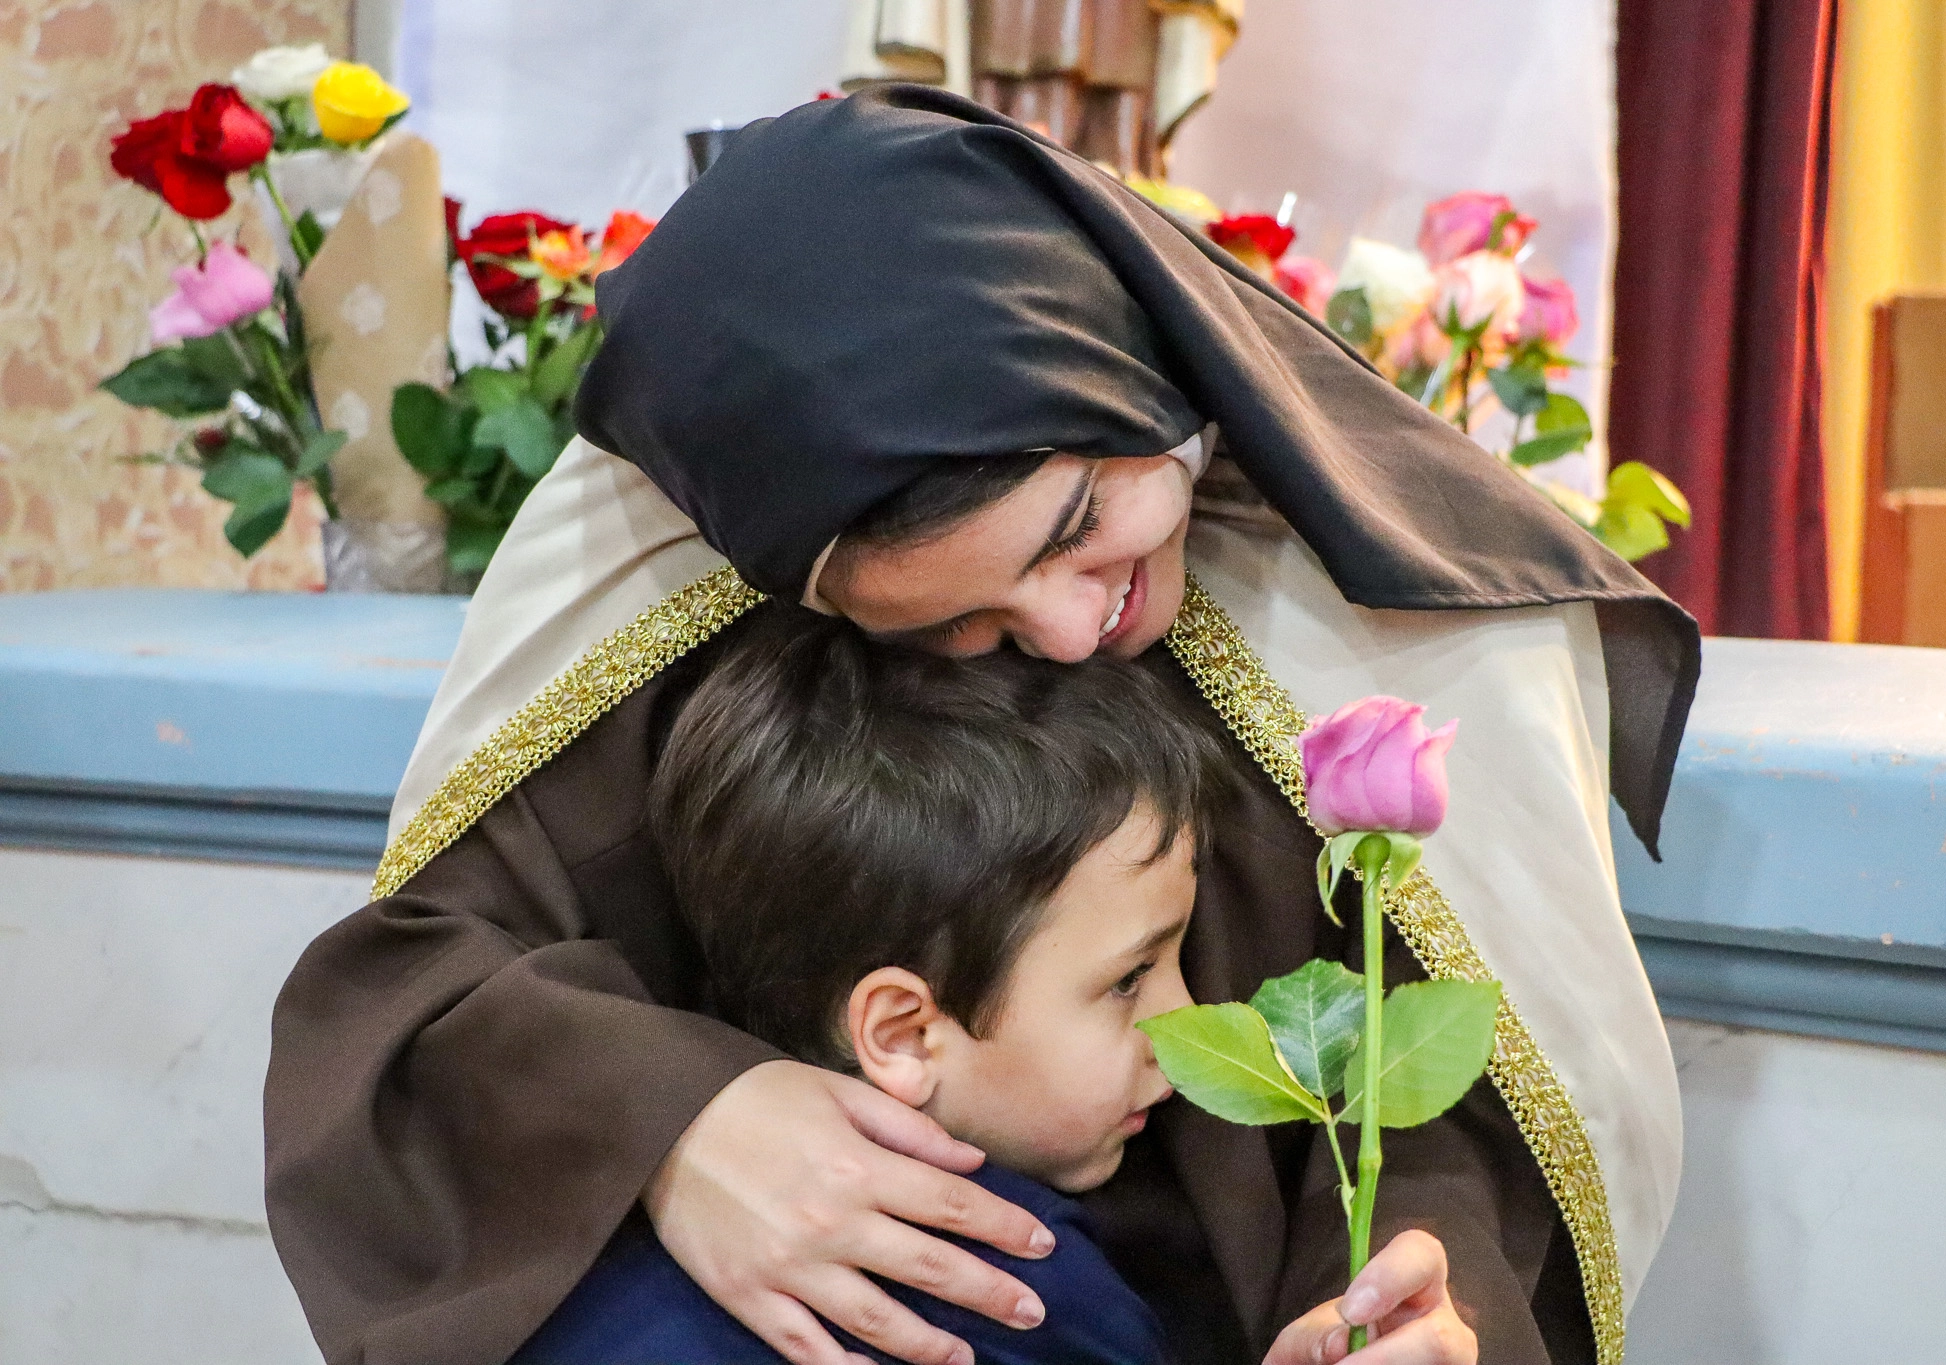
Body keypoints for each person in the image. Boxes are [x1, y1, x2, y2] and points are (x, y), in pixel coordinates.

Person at [266, 88, 1697, 1365]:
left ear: (1113, 359)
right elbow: (421, 994)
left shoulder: (1354, 605)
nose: (1084, 636)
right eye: (963, 627)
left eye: (1082, 526)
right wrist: (680, 1125)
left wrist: (1405, 1297)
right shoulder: (690, 580)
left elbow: (1438, 1080)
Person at [516, 607, 1221, 1363]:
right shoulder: (1026, 1295)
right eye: (1129, 980)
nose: (1187, 1020)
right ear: (903, 1034)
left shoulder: (543, 1253)